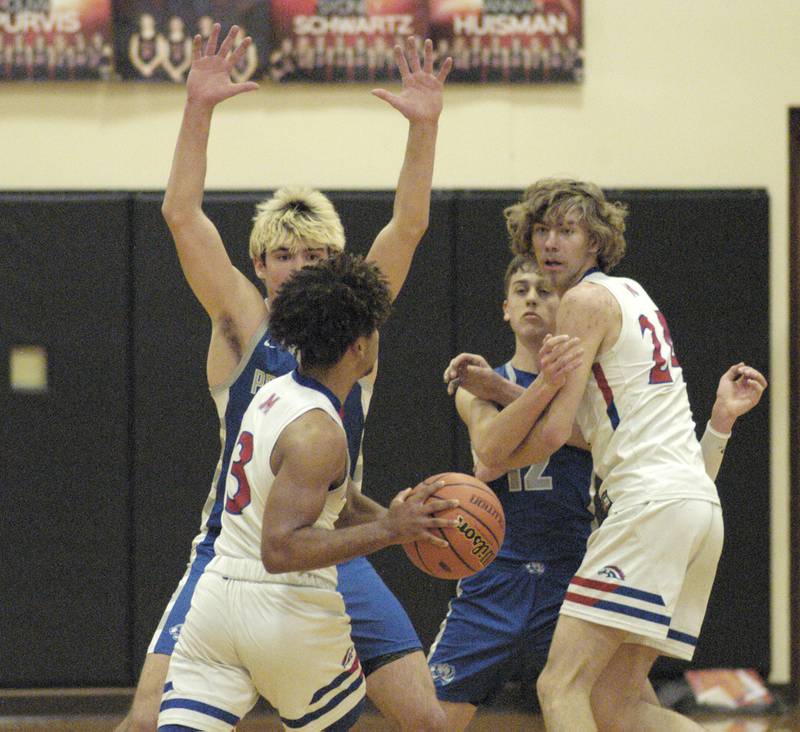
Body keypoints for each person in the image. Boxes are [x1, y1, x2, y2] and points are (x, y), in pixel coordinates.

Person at [116, 24, 453, 732]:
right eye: (283, 254)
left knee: (425, 716)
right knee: (146, 720)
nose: (297, 266)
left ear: (338, 265)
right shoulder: (240, 319)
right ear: (259, 264)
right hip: (237, 547)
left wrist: (423, 130)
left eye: (315, 254)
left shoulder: (351, 317)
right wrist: (198, 108)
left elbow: (409, 226)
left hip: (328, 535)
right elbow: (182, 215)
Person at [430, 254, 767, 730]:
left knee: (615, 705)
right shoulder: (476, 386)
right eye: (521, 289)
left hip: (576, 565)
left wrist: (719, 424)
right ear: (503, 308)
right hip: (498, 574)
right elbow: (490, 457)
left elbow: (672, 471)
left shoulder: (601, 394)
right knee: (432, 719)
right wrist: (513, 388)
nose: (532, 298)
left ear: (565, 307)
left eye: (544, 290)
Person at [158, 253, 459, 730]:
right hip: (284, 604)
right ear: (358, 347)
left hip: (215, 606)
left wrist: (400, 522)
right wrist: (387, 529)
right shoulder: (320, 432)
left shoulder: (272, 393)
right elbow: (281, 547)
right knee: (343, 717)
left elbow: (332, 498)